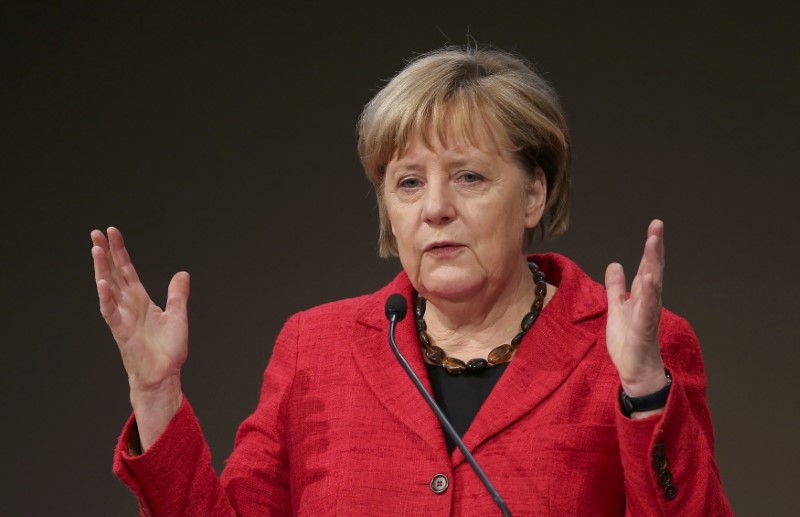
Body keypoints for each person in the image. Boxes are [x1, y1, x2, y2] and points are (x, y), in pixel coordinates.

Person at [92, 46, 733, 516]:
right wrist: (156, 392)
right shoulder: (314, 349)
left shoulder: (635, 354)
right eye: (408, 182)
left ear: (534, 193)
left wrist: (646, 391)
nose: (435, 208)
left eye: (469, 177)